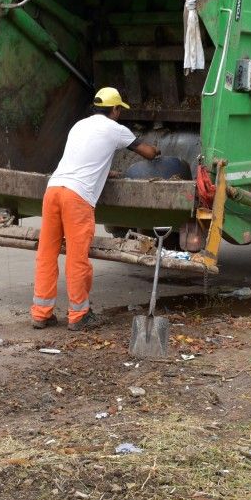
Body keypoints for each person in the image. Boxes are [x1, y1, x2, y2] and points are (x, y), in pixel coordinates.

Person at [31, 87, 159, 331]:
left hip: (54, 189)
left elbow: (83, 157)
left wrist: (104, 171)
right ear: (115, 109)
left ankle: (41, 313)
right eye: (119, 109)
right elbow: (148, 153)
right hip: (77, 197)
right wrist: (158, 152)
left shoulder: (79, 126)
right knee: (77, 258)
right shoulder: (116, 128)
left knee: (46, 253)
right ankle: (79, 315)